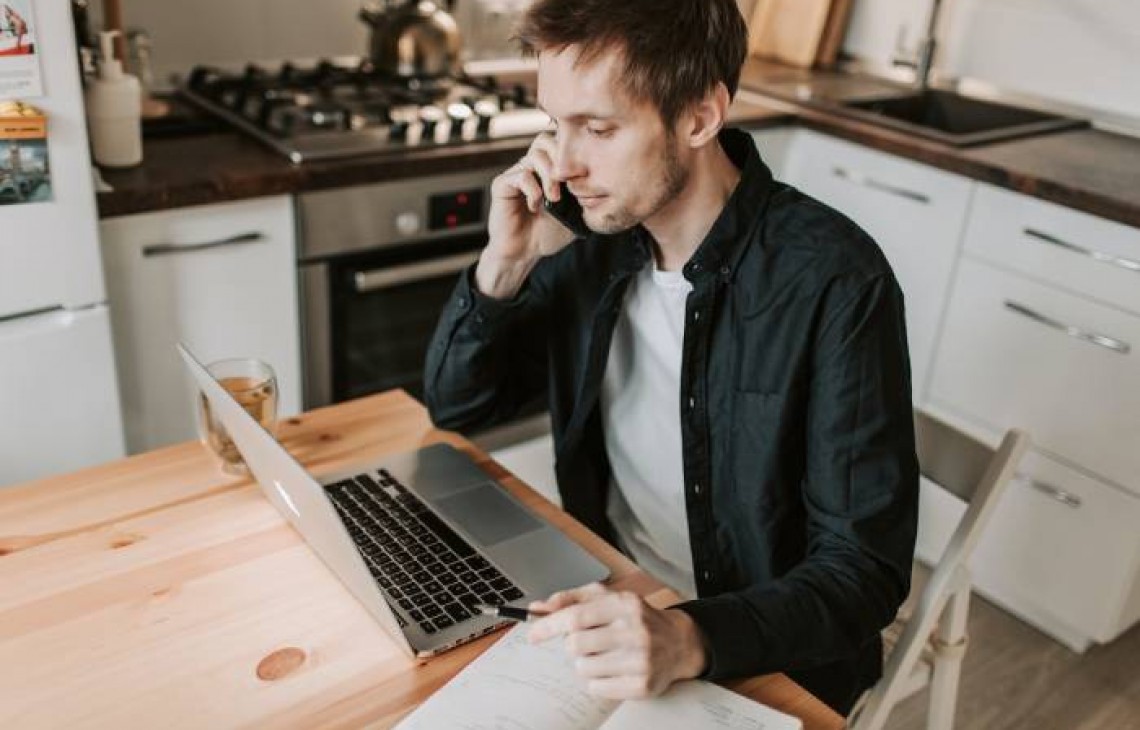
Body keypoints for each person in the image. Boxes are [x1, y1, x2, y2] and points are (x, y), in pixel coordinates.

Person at [424, 0, 918, 714]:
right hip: (612, 594)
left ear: (698, 117)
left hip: (766, 652)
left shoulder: (836, 281)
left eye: (598, 128)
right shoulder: (583, 237)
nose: (563, 163)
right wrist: (503, 265)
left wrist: (687, 635)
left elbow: (862, 573)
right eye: (553, 125)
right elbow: (459, 407)